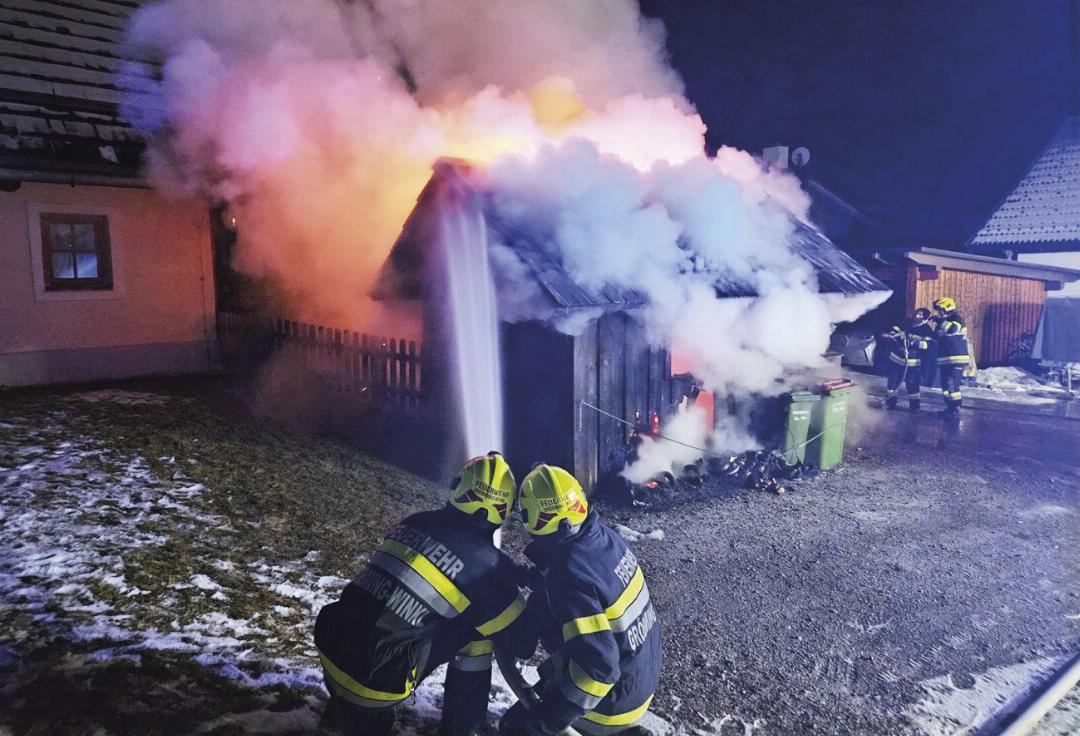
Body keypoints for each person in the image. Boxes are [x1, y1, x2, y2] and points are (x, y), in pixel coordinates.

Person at [315, 452, 534, 736]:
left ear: (458, 487)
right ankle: (463, 728)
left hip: (332, 650)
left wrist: (512, 570)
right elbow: (524, 644)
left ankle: (344, 710)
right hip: (378, 685)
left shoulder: (415, 522)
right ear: (506, 508)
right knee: (477, 630)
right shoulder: (489, 569)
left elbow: (453, 552)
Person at [499, 465, 661, 736]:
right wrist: (525, 574)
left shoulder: (568, 576)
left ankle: (599, 729)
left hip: (612, 702)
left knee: (513, 727)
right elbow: (590, 587)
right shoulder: (604, 537)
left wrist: (551, 718)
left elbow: (600, 668)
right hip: (640, 676)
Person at [882, 307, 934, 411]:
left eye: (920, 315)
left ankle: (914, 407)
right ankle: (890, 403)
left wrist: (912, 342)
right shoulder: (905, 322)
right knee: (892, 383)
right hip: (896, 360)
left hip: (912, 363)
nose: (916, 315)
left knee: (912, 385)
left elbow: (927, 345)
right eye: (916, 313)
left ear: (925, 319)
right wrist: (893, 333)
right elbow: (896, 328)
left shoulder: (926, 330)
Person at [931, 296, 969, 420]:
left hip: (956, 358)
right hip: (945, 359)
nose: (938, 313)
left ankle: (955, 409)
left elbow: (952, 329)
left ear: (947, 307)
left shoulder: (957, 318)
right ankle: (949, 407)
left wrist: (939, 321)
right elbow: (935, 337)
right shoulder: (943, 322)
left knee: (952, 384)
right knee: (945, 385)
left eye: (940, 310)